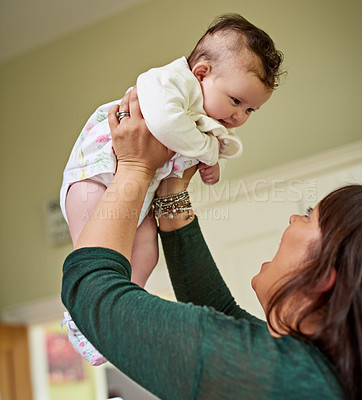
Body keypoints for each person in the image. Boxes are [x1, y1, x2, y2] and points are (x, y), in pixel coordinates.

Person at [61, 89, 362, 400]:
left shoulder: (280, 377)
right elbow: (219, 310)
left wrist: (135, 167)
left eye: (310, 216)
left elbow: (90, 287)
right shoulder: (316, 371)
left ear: (328, 274)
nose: (294, 220)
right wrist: (171, 185)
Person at [60, 14, 283, 365]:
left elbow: (187, 150)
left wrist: (208, 160)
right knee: (95, 263)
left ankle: (111, 323)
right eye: (237, 101)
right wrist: (208, 151)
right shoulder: (170, 82)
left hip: (139, 187)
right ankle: (80, 317)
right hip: (94, 174)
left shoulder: (205, 120)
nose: (240, 116)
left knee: (146, 254)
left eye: (251, 109)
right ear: (202, 73)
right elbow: (166, 126)